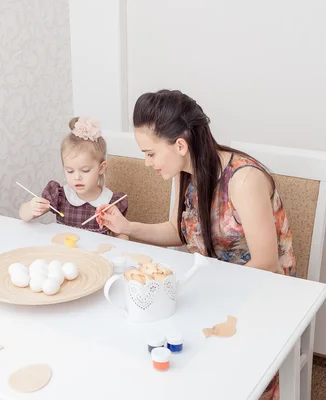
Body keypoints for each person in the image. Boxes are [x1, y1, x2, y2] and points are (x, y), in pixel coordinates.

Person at [97, 89, 295, 399]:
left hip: (259, 295)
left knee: (199, 365)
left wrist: (202, 290)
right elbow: (181, 231)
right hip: (217, 290)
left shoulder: (243, 180)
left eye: (150, 153)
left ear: (180, 145)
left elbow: (267, 264)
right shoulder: (186, 171)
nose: (147, 163)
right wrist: (126, 227)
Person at [19, 117, 128, 237]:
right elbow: (23, 214)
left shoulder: (110, 202)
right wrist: (31, 208)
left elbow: (121, 235)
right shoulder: (60, 196)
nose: (77, 177)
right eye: (70, 171)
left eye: (85, 170)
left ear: (101, 168)